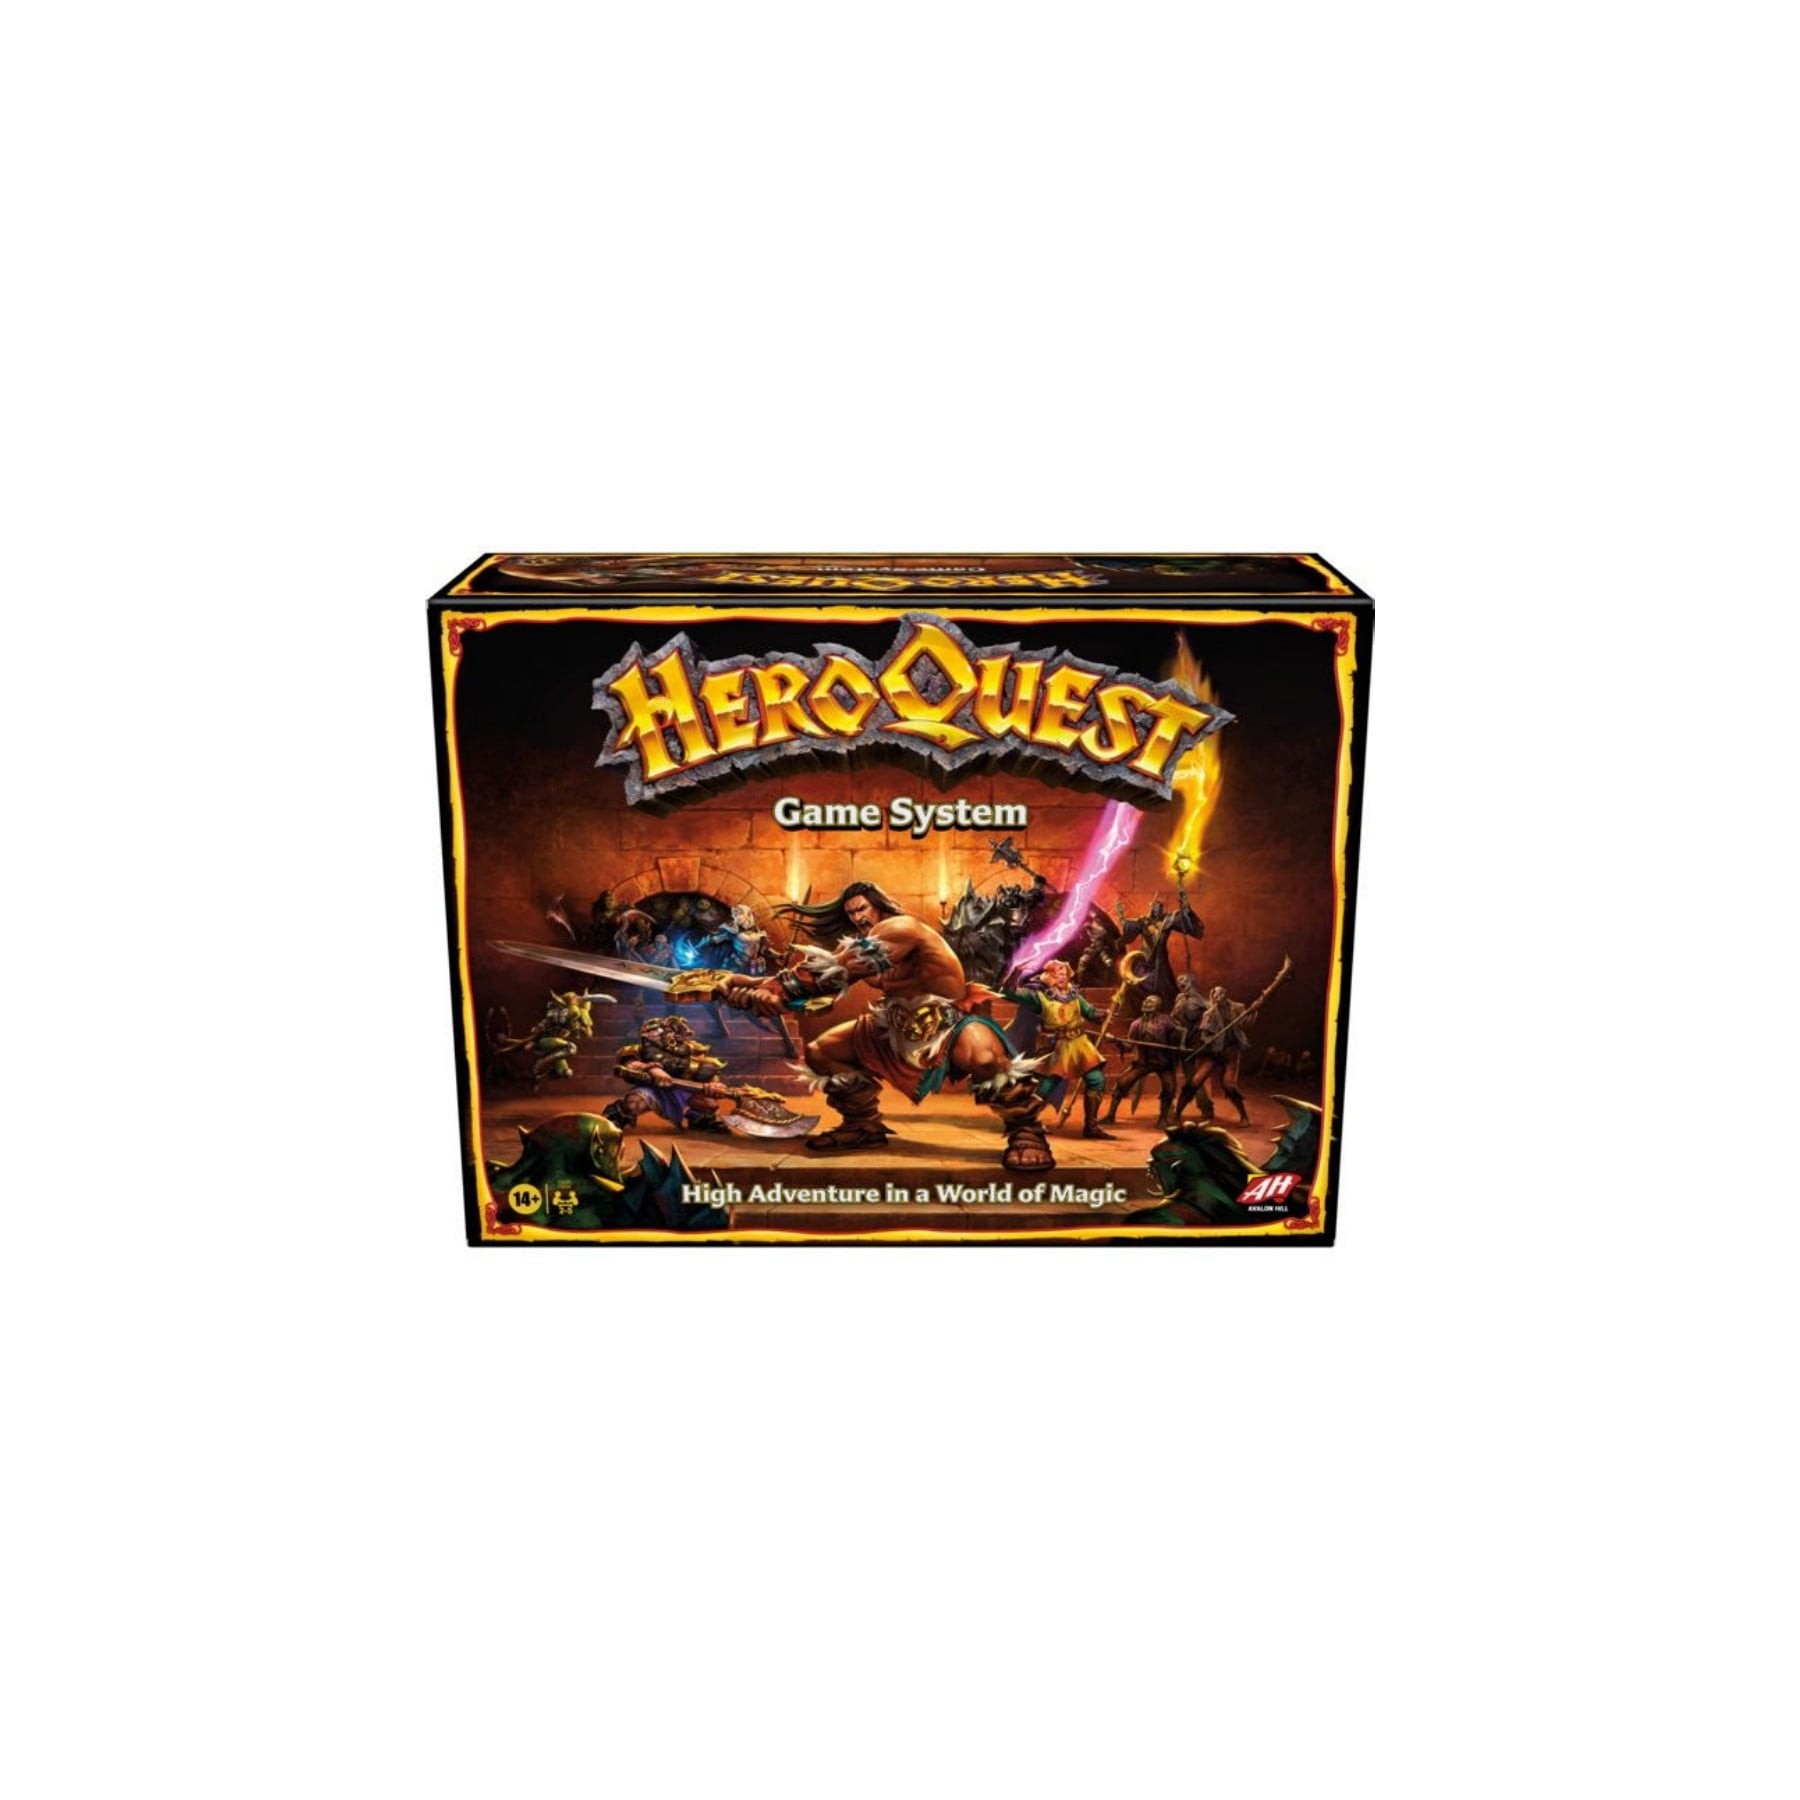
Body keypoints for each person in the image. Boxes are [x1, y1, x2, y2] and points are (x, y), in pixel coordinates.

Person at [724, 880, 1053, 1170]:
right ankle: (861, 1126)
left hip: (948, 1024)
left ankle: (1026, 1132)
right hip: (894, 1025)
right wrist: (752, 987)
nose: (858, 917)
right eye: (851, 913)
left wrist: (775, 989)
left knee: (985, 1057)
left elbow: (833, 973)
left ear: (878, 904)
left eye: (862, 909)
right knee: (823, 1051)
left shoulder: (900, 928)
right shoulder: (861, 943)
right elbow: (824, 982)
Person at [1000, 960, 1113, 1139]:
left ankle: (1091, 1127)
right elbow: (1008, 993)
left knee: (1096, 1080)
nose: (1061, 977)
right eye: (1057, 974)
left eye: (1064, 973)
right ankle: (1026, 1123)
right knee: (1045, 1087)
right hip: (1058, 1046)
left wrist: (1103, 1014)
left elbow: (1090, 1012)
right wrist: (1015, 974)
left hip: (1080, 1044)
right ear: (1049, 976)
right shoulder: (1039, 996)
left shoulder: (1074, 994)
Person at [605, 1014, 730, 1132]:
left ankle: (699, 1119)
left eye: (655, 1031)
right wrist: (652, 1069)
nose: (650, 1034)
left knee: (709, 1105)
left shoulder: (690, 1051)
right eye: (649, 1031)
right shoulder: (642, 1049)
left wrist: (714, 1086)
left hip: (682, 1089)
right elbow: (630, 1064)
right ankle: (619, 1114)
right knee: (635, 1104)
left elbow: (706, 1071)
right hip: (653, 1088)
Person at [1105, 993, 1183, 1128]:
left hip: (1163, 1062)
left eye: (1150, 1002)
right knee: (1122, 1082)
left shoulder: (1166, 1021)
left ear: (1158, 1006)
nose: (1146, 1003)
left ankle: (1163, 1119)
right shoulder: (1136, 1024)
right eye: (1146, 1001)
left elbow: (1181, 1032)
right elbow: (1129, 1046)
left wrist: (1179, 1043)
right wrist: (1116, 1041)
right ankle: (1110, 1116)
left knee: (1170, 1088)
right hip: (1143, 1062)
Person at [1181, 984, 1253, 1125]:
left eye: (1221, 994)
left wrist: (1252, 1012)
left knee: (1228, 1084)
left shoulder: (1238, 1008)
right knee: (1196, 1080)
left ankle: (1244, 1116)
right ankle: (1177, 1114)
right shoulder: (1209, 1013)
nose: (1219, 997)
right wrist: (1208, 1039)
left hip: (1230, 1052)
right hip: (1214, 1053)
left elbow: (1247, 1023)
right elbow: (1204, 1034)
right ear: (1212, 997)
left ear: (1226, 994)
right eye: (1216, 995)